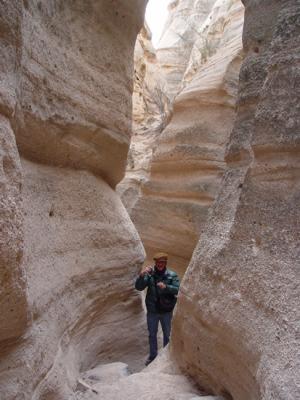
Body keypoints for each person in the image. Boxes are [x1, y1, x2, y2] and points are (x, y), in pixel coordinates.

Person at [135, 252, 180, 365]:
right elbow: (139, 287)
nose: (160, 264)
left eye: (162, 262)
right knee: (152, 334)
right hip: (153, 311)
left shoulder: (172, 275)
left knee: (167, 334)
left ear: (165, 263)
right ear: (155, 263)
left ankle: (165, 357)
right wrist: (141, 275)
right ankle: (153, 356)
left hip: (166, 311)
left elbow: (178, 289)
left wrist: (166, 287)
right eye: (158, 262)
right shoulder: (150, 275)